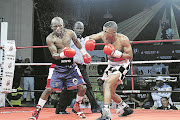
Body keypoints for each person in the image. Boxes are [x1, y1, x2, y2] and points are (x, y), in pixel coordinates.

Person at [29, 17, 91, 120]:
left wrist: (84, 53)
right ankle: (36, 111)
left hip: (71, 66)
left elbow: (76, 42)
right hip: (57, 67)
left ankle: (77, 107)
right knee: (48, 89)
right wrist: (64, 53)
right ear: (51, 27)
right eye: (55, 26)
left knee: (83, 87)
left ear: (63, 26)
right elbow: (54, 54)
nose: (58, 28)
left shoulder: (70, 33)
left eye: (60, 26)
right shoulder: (50, 38)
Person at [86, 21, 134, 120]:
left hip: (122, 65)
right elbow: (91, 37)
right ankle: (126, 108)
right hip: (111, 64)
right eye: (103, 31)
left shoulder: (123, 39)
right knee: (110, 92)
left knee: (107, 84)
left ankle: (106, 114)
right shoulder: (103, 35)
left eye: (106, 32)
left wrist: (117, 53)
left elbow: (130, 56)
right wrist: (88, 41)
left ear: (113, 32)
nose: (104, 34)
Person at [55, 21, 101, 114]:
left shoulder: (83, 40)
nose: (79, 30)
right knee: (74, 87)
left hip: (81, 66)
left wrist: (86, 60)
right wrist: (78, 59)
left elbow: (82, 52)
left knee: (80, 87)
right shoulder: (69, 39)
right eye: (78, 28)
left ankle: (60, 108)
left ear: (83, 29)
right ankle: (95, 107)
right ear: (74, 28)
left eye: (81, 28)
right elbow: (66, 52)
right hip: (72, 66)